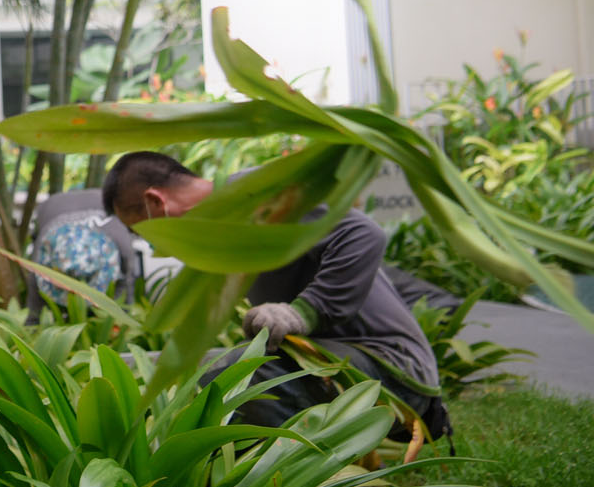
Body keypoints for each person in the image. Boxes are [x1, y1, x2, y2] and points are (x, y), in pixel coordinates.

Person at [100, 151, 444, 432]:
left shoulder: (254, 193)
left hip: (395, 370)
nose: (148, 243)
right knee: (196, 371)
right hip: (338, 361)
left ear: (154, 203)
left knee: (245, 372)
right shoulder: (221, 229)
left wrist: (304, 312)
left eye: (140, 231)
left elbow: (364, 235)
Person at [25, 187, 140, 323]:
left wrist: (119, 322)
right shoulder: (43, 249)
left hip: (98, 198)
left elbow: (125, 286)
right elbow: (35, 307)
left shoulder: (122, 243)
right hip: (54, 206)